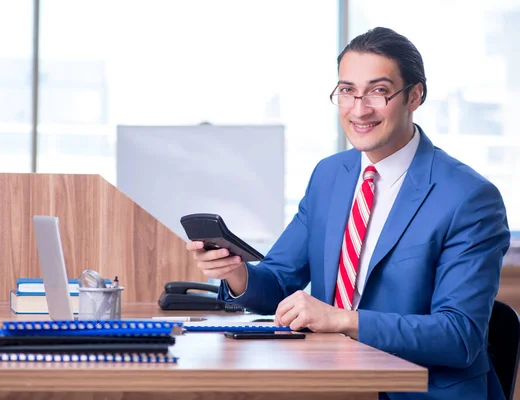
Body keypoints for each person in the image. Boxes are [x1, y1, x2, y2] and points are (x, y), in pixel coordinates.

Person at [185, 27, 511, 399]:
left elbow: (459, 336)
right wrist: (238, 274)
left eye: (378, 91)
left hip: (421, 391)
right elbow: (278, 282)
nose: (359, 109)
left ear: (415, 96)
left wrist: (341, 320)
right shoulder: (329, 176)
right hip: (332, 383)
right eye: (347, 91)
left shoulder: (468, 197)